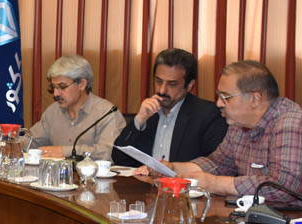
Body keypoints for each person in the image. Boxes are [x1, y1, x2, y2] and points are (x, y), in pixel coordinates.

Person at [135, 61, 302, 206]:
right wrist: (172, 167)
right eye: (218, 96)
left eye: (226, 97)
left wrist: (214, 183)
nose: (218, 103)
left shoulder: (290, 122)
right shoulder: (238, 124)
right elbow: (218, 164)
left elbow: (283, 187)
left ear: (255, 98)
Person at [112, 48, 227, 166]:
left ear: (189, 85)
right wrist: (139, 120)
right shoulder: (150, 112)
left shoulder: (208, 115)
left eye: (172, 84)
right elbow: (119, 158)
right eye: (158, 81)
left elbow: (216, 165)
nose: (162, 90)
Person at [30, 55, 125, 160]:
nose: (56, 94)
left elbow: (109, 152)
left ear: (82, 84)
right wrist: (17, 141)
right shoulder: (52, 112)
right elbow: (33, 140)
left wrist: (64, 152)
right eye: (54, 87)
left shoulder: (107, 113)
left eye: (62, 87)